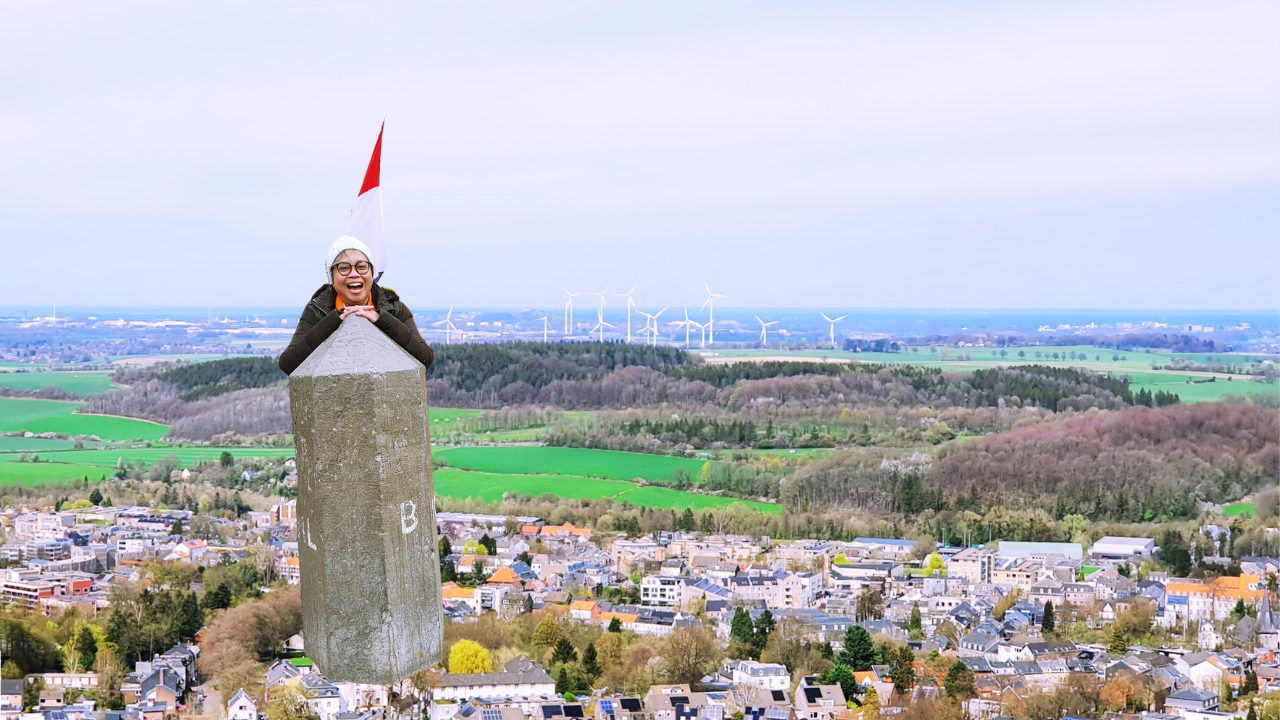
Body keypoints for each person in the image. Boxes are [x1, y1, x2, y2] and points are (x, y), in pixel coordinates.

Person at [278, 236, 434, 374]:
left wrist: (382, 320)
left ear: (371, 273)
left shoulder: (394, 309)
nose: (354, 274)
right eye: (344, 268)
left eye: (362, 267)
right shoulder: (318, 311)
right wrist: (332, 322)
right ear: (332, 277)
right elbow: (288, 364)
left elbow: (424, 358)